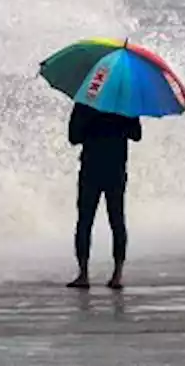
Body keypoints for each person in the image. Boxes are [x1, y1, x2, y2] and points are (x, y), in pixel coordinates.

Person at [66, 101, 141, 289]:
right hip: (115, 169)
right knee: (117, 220)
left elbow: (74, 137)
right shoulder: (125, 104)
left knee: (85, 221)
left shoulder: (85, 102)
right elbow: (137, 135)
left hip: (91, 168)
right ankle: (117, 274)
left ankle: (83, 274)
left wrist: (91, 123)